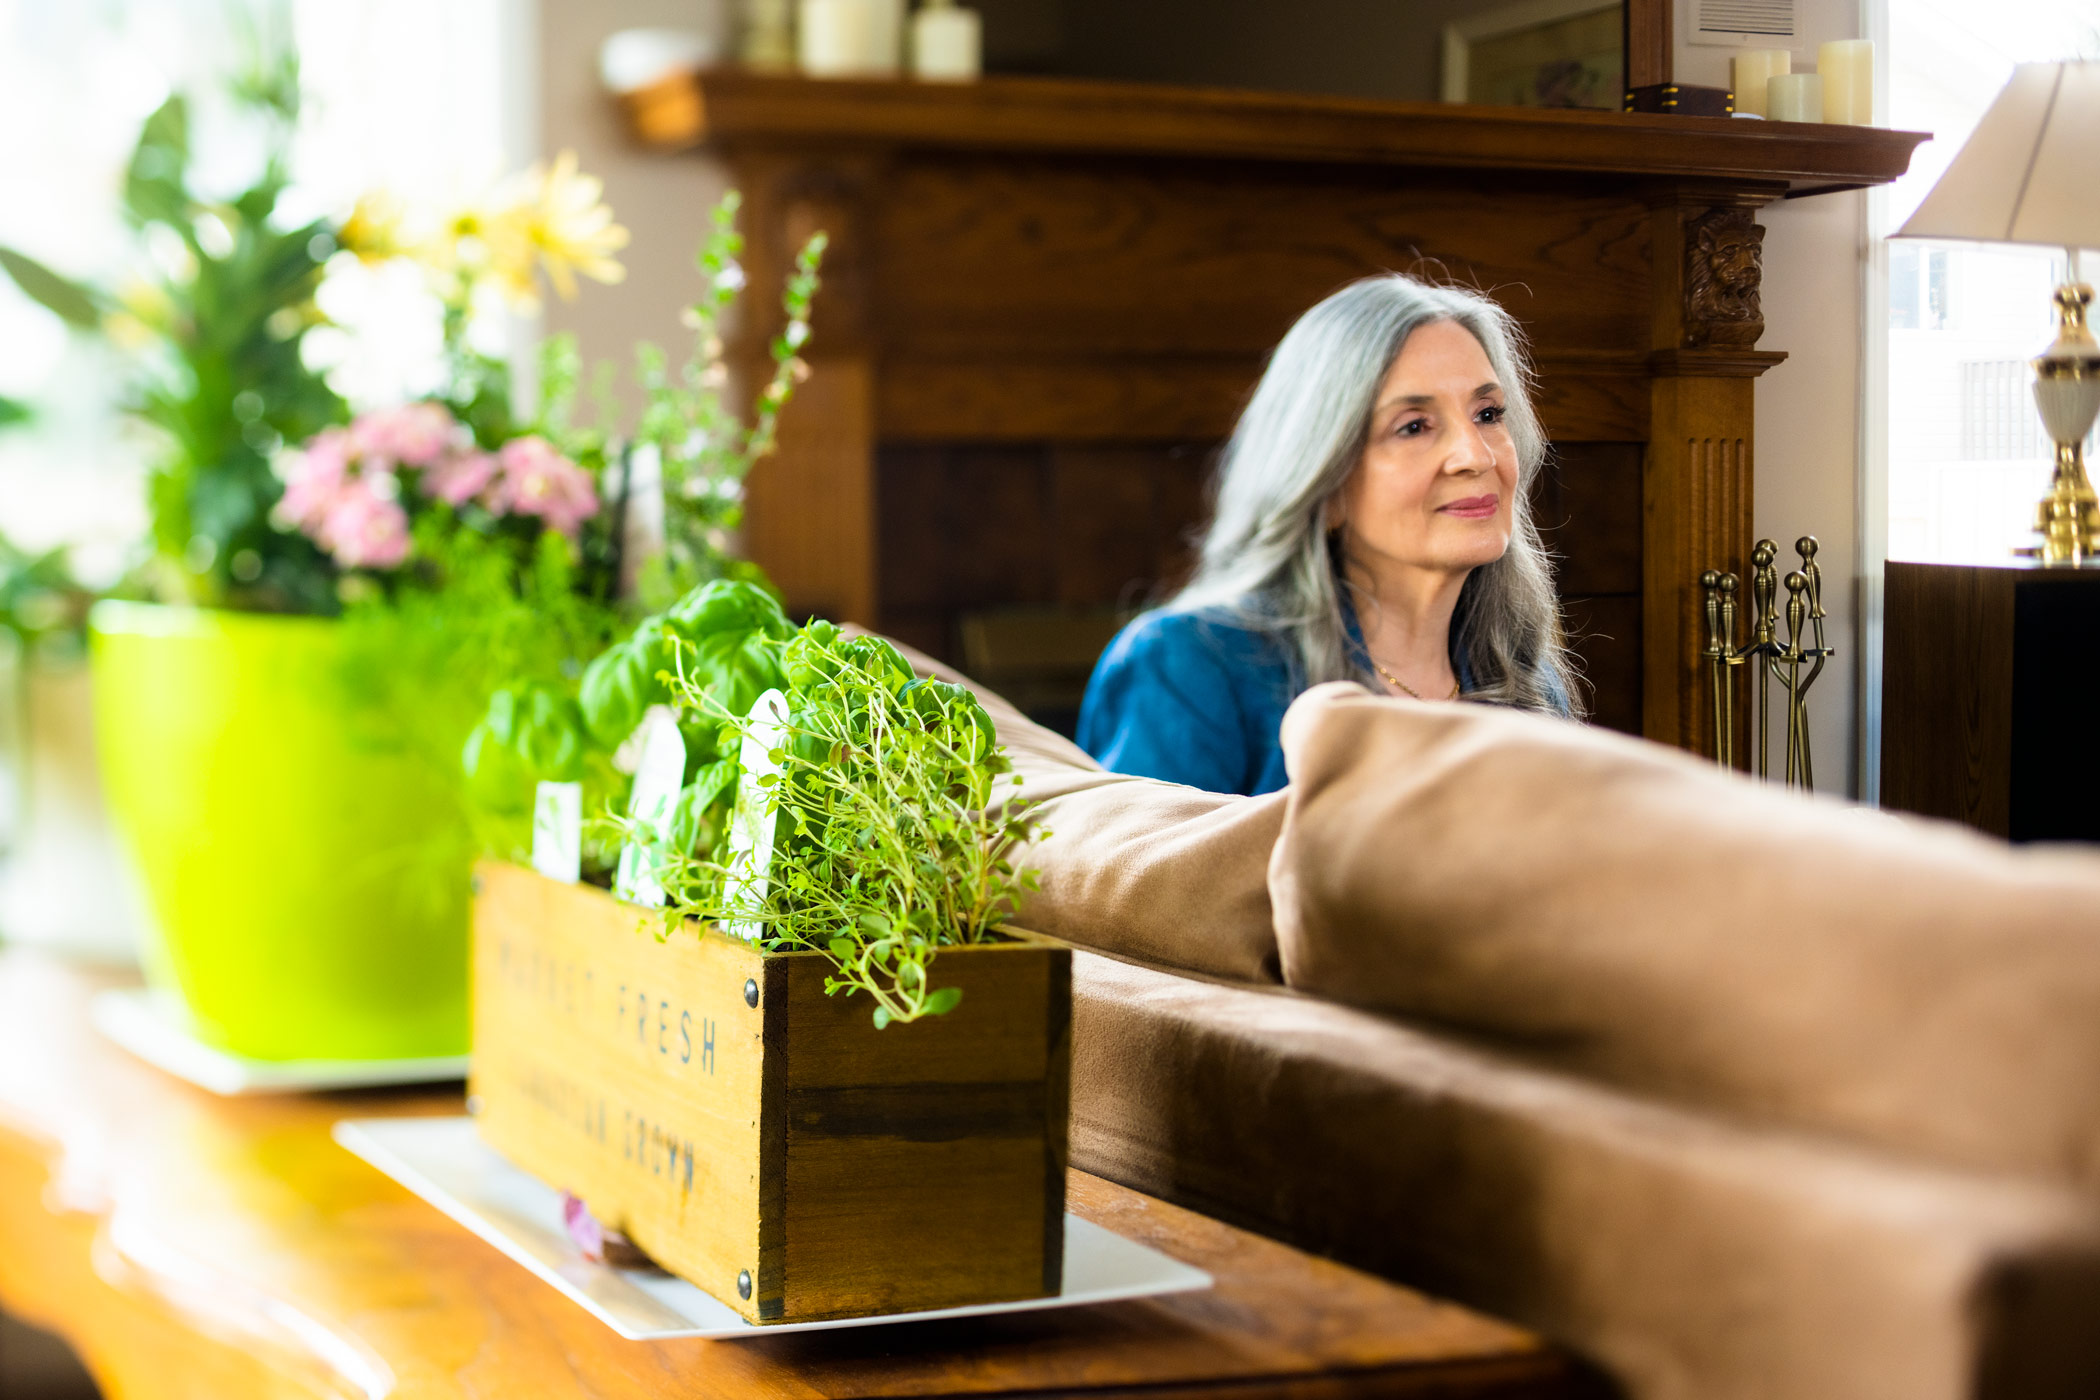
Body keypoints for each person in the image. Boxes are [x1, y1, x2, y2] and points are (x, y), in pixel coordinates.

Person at [1076, 273, 1579, 796]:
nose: (1477, 456)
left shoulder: (1530, 682)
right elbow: (1140, 878)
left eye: (1488, 414)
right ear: (1323, 478)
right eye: (1413, 426)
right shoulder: (1189, 666)